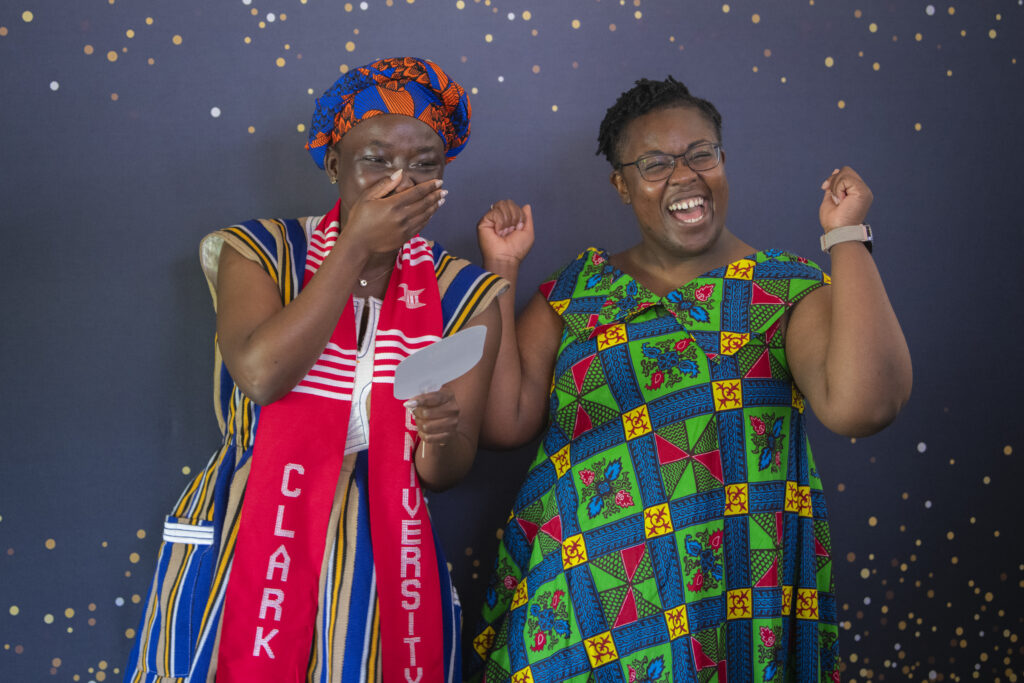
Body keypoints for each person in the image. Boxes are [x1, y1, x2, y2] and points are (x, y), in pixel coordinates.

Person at [469, 77, 912, 681]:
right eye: (655, 163)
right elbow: (503, 423)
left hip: (725, 608)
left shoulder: (783, 290)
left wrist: (846, 236)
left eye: (701, 154)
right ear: (621, 185)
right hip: (575, 611)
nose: (684, 175)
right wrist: (501, 268)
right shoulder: (575, 292)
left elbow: (867, 405)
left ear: (722, 162)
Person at [125, 57, 506, 683]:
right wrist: (356, 243)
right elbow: (261, 375)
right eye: (376, 159)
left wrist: (439, 436)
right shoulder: (261, 250)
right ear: (334, 165)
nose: (400, 181)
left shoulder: (464, 290)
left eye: (424, 164)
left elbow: (446, 472)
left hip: (384, 534)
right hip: (249, 517)